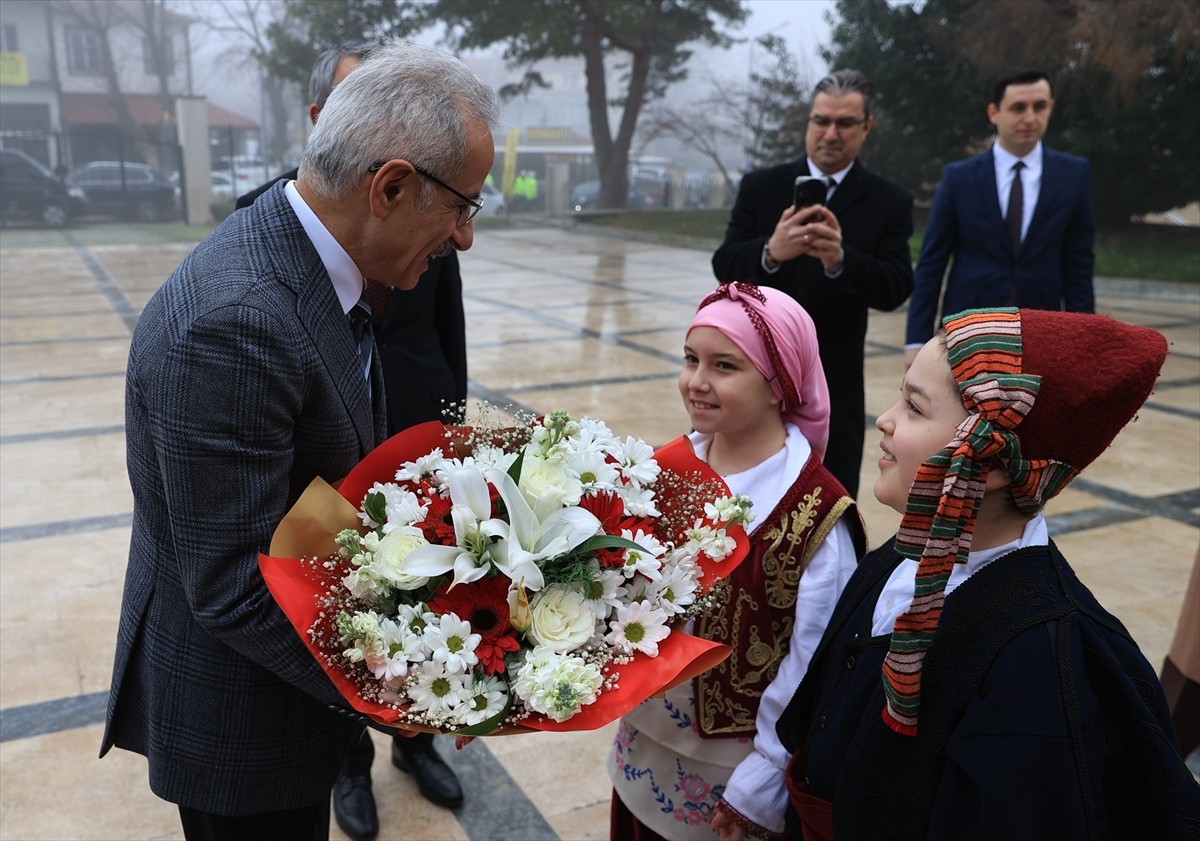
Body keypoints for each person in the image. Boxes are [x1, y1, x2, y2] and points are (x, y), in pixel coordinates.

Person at [100, 42, 500, 841]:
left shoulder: (320, 266)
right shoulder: (236, 322)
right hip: (241, 723)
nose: (463, 238)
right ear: (390, 186)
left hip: (291, 687)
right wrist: (423, 677)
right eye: (462, 206)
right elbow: (235, 584)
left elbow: (333, 482)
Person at [772, 307, 1200, 839]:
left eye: (913, 407)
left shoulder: (1038, 665)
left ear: (994, 465)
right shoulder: (902, 557)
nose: (884, 419)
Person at [237, 43, 469, 838]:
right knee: (337, 592)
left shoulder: (429, 218)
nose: (463, 235)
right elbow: (240, 577)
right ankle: (349, 764)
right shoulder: (254, 261)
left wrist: (453, 433)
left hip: (408, 423)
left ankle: (417, 742)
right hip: (327, 459)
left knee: (429, 580)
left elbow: (447, 327)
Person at [608, 282, 865, 841]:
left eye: (725, 366)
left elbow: (815, 664)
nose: (697, 382)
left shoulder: (813, 514)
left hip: (731, 779)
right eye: (690, 360)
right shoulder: (664, 470)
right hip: (643, 746)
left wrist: (767, 776)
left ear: (780, 386)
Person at [712, 70, 913, 500]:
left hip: (834, 381)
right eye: (821, 120)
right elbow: (724, 263)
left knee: (827, 503)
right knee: (730, 501)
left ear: (867, 128)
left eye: (845, 123)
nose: (831, 133)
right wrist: (771, 251)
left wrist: (842, 260)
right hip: (752, 376)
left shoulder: (888, 200)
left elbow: (896, 286)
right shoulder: (761, 187)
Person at [903, 68, 1095, 367]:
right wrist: (917, 340)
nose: (1030, 117)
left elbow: (1079, 266)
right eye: (1019, 107)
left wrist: (1084, 341)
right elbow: (931, 264)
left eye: (1040, 106)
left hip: (1041, 332)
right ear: (994, 112)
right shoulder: (959, 178)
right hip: (967, 331)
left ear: (1051, 108)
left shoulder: (1073, 175)